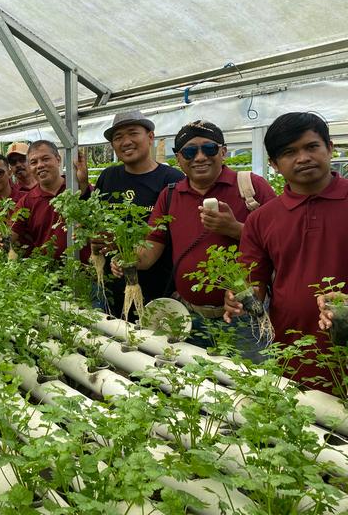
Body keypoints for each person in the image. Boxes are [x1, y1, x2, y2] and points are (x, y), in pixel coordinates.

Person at [115, 120, 276, 358]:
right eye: (190, 152)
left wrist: (235, 229)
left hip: (244, 316)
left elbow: (282, 244)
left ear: (223, 152)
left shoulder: (251, 186)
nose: (200, 157)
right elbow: (149, 253)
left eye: (209, 149)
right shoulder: (170, 195)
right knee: (191, 378)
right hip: (189, 315)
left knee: (246, 377)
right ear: (179, 159)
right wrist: (125, 258)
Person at [223, 112, 348, 385]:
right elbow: (253, 280)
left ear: (330, 148)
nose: (303, 158)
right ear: (274, 164)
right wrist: (238, 298)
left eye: (312, 146)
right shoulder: (262, 219)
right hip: (292, 348)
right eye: (289, 152)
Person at [95, 110, 184, 314]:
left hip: (159, 290)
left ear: (150, 137)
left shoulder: (172, 179)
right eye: (118, 137)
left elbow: (180, 235)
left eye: (133, 133)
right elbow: (98, 223)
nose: (126, 141)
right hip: (113, 289)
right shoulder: (108, 176)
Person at [8, 140, 90, 260]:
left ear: (58, 160)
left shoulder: (76, 188)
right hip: (47, 269)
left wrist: (83, 183)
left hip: (83, 267)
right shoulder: (26, 202)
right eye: (34, 162)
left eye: (45, 159)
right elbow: (11, 234)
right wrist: (0, 238)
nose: (40, 165)